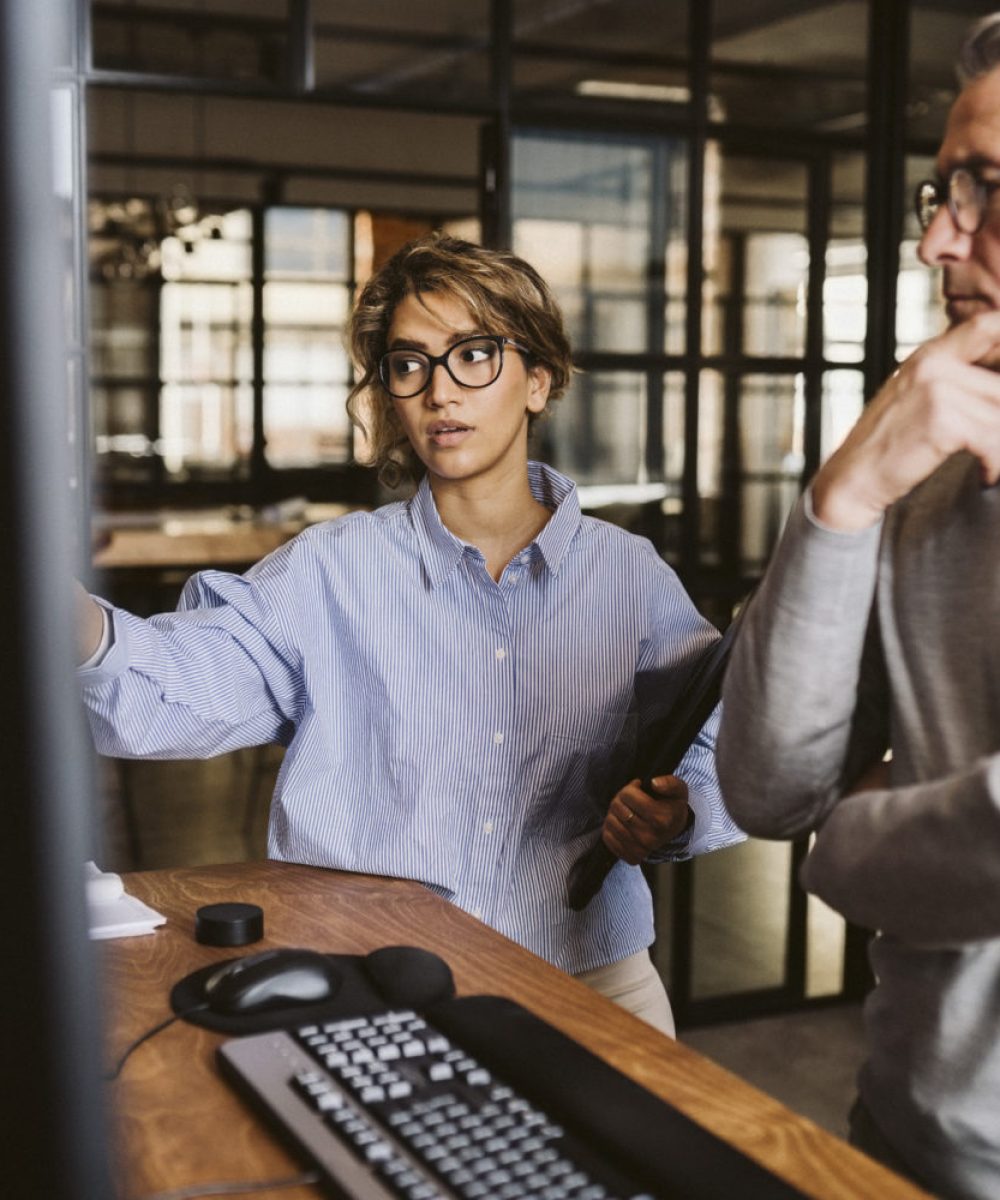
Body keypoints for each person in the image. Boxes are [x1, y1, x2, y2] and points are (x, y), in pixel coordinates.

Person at [77, 233, 743, 1034]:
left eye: (473, 355)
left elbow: (723, 746)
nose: (439, 391)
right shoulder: (328, 570)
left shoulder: (629, 578)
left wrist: (680, 813)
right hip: (369, 982)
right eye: (409, 363)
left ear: (539, 379)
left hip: (592, 986)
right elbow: (172, 691)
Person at [716, 14, 1000, 1199]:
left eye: (984, 187)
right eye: (942, 190)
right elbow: (771, 788)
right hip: (902, 1133)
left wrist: (850, 844)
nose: (939, 237)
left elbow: (820, 836)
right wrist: (844, 497)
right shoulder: (923, 468)